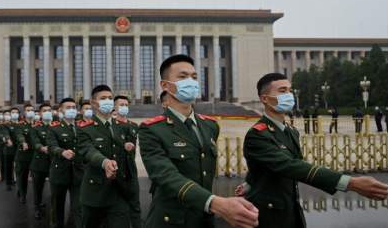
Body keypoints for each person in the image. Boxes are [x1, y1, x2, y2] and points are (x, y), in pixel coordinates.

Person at [243, 73, 388, 228]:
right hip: (268, 216)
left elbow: (269, 167)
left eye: (290, 90)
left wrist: (250, 183)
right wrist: (350, 183)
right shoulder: (258, 135)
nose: (289, 95)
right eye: (282, 91)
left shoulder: (291, 131)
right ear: (265, 98)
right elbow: (289, 166)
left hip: (291, 211)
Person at [139, 54, 259, 228]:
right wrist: (216, 203)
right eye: (182, 77)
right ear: (165, 85)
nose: (191, 81)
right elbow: (167, 176)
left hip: (204, 220)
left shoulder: (210, 125)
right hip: (171, 221)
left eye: (194, 77)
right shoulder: (152, 129)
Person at [76, 85, 132, 228]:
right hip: (95, 193)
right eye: (103, 98)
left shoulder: (121, 126)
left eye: (110, 98)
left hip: (119, 191)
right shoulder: (85, 128)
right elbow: (88, 150)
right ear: (93, 102)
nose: (108, 101)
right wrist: (104, 162)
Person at [47, 98, 84, 228]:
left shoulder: (82, 127)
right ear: (61, 110)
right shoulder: (54, 128)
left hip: (78, 173)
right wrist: (62, 152)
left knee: (78, 207)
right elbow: (51, 146)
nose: (71, 110)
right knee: (58, 207)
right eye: (68, 107)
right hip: (60, 172)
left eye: (74, 107)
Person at [114, 95, 141, 228]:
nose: (124, 107)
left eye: (126, 105)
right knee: (118, 207)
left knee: (135, 204)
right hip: (116, 170)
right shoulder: (111, 126)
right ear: (114, 107)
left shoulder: (134, 126)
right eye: (121, 105)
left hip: (131, 169)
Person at [30, 103, 53, 219]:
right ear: (40, 113)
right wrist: (42, 148)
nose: (47, 112)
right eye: (44, 110)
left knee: (55, 187)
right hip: (39, 163)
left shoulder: (56, 126)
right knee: (38, 188)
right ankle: (37, 207)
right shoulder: (35, 128)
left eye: (49, 110)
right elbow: (35, 142)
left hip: (53, 163)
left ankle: (55, 208)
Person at [14, 103, 36, 204]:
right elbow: (19, 135)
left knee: (36, 177)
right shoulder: (20, 125)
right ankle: (23, 194)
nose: (30, 112)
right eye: (28, 110)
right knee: (23, 176)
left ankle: (37, 200)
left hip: (35, 155)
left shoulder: (38, 124)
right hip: (23, 155)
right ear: (24, 112)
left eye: (32, 110)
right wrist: (23, 142)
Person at [2, 107, 21, 191]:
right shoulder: (6, 124)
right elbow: (6, 134)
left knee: (19, 167)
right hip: (9, 149)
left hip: (20, 149)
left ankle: (17, 181)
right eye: (13, 112)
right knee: (8, 166)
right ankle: (8, 183)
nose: (14, 114)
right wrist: (8, 140)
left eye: (16, 112)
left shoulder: (21, 124)